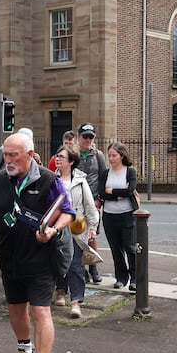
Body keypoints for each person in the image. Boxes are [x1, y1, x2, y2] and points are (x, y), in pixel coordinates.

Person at [0, 132, 75, 353]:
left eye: (13, 155)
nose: (7, 160)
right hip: (9, 258)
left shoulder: (48, 180)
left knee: (41, 312)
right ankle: (25, 351)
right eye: (5, 154)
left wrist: (53, 230)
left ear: (30, 155)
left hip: (40, 260)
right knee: (16, 311)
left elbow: (67, 212)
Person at [52, 144, 99, 318]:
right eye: (57, 156)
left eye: (61, 157)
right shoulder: (51, 179)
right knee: (58, 261)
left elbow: (89, 205)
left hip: (76, 228)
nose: (57, 159)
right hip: (57, 227)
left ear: (71, 162)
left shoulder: (80, 180)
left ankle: (76, 301)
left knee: (75, 264)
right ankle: (61, 291)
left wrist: (93, 228)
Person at [99, 141, 139, 291]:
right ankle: (121, 278)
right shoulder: (105, 174)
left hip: (127, 215)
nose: (111, 158)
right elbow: (101, 193)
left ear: (121, 156)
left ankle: (134, 278)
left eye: (114, 155)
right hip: (109, 216)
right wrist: (117, 194)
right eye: (109, 155)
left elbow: (130, 191)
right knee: (116, 249)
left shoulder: (130, 172)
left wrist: (112, 191)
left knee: (130, 247)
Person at [76, 122, 107, 284]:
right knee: (76, 237)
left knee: (91, 236)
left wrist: (100, 200)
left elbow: (103, 177)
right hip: (76, 202)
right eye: (85, 136)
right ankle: (80, 269)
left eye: (90, 137)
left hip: (93, 202)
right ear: (78, 137)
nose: (87, 139)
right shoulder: (72, 154)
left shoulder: (98, 155)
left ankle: (93, 267)